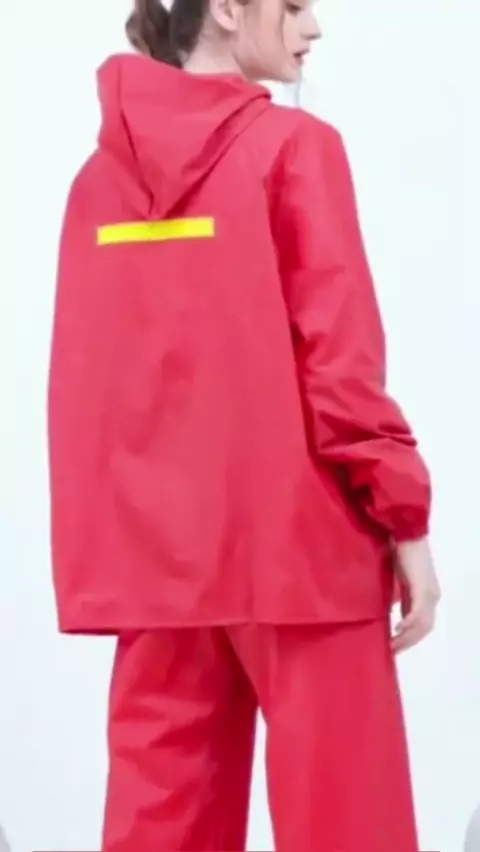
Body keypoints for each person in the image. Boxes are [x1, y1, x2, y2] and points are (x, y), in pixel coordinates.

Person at [48, 0, 441, 849]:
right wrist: (404, 516)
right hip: (304, 556)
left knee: (161, 827)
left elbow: (90, 383)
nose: (314, 26)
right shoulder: (296, 148)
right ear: (227, 9)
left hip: (162, 568)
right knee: (350, 828)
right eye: (293, 4)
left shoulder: (96, 182)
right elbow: (339, 363)